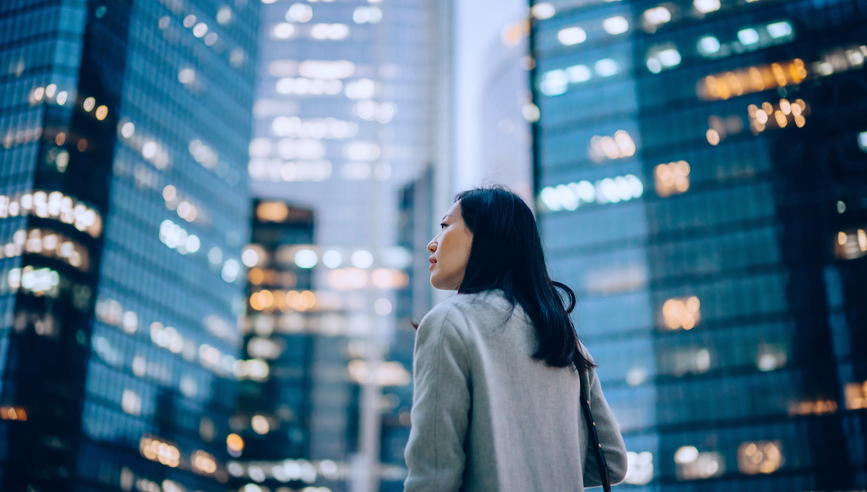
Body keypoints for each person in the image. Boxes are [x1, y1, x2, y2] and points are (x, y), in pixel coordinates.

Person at [404, 186, 628, 492]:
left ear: (486, 234)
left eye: (445, 226)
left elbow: (433, 476)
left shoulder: (450, 321)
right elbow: (611, 463)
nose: (433, 244)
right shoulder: (561, 336)